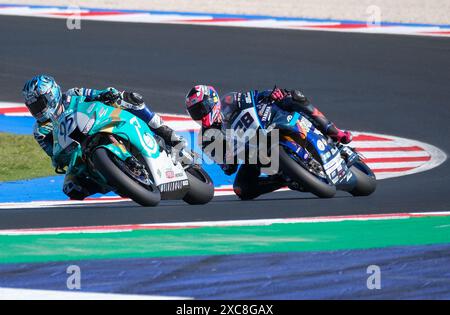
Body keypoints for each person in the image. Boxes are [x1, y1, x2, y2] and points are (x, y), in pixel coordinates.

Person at [22, 74, 185, 200]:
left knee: (131, 99)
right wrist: (60, 160)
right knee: (71, 189)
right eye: (33, 106)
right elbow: (53, 154)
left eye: (39, 104)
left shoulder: (73, 94)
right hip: (78, 153)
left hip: (100, 124)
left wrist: (108, 94)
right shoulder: (40, 131)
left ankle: (168, 135)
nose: (37, 110)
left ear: (51, 95)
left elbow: (96, 94)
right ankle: (118, 181)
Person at [185, 85, 352, 200]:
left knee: (294, 96)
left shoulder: (229, 100)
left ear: (212, 101)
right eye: (194, 112)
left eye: (201, 108)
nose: (199, 114)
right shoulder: (206, 138)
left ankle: (334, 133)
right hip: (254, 152)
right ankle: (286, 178)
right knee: (241, 189)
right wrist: (227, 158)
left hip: (270, 122)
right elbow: (228, 168)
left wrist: (271, 95)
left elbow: (255, 96)